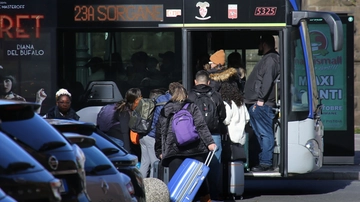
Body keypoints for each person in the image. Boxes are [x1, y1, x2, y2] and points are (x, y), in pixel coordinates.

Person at [155, 82, 216, 202]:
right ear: (185, 93)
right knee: (199, 180)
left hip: (174, 151)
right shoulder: (192, 106)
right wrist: (209, 142)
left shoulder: (165, 109)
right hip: (195, 149)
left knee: (177, 183)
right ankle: (206, 199)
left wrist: (159, 151)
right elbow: (201, 126)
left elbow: (159, 132)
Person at [243, 34, 280, 172]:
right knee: (261, 134)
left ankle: (265, 162)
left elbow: (267, 80)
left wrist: (260, 100)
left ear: (264, 44)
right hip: (259, 104)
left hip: (261, 104)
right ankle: (261, 161)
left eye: (259, 44)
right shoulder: (270, 59)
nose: (258, 47)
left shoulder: (270, 59)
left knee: (265, 133)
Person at [187, 70, 226, 201]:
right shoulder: (216, 95)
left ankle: (197, 195)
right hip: (214, 134)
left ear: (195, 82)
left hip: (195, 135)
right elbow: (223, 115)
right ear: (209, 82)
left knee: (196, 165)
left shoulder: (190, 96)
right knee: (214, 166)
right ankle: (213, 195)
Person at [139, 87, 172, 178]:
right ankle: (153, 188)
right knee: (155, 165)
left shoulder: (149, 105)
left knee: (144, 163)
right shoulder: (160, 105)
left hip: (143, 135)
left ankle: (141, 186)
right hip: (152, 137)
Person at [107, 88, 142, 159]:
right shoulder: (124, 111)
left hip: (121, 138)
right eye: (140, 97)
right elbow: (125, 132)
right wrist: (127, 153)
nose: (142, 99)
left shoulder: (130, 109)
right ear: (135, 100)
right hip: (118, 140)